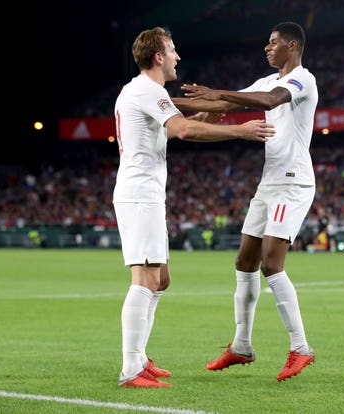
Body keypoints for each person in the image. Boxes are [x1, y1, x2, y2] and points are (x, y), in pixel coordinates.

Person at [113, 27, 275, 388]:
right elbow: (183, 131)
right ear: (158, 56)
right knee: (145, 278)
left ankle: (139, 357)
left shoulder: (141, 92)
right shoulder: (148, 89)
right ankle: (130, 368)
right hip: (139, 194)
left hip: (148, 194)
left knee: (161, 279)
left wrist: (203, 120)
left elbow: (172, 131)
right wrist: (240, 131)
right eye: (172, 50)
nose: (177, 57)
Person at [172, 21, 317, 381]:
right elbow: (223, 101)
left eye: (273, 43)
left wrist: (218, 92)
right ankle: (241, 345)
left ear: (292, 46)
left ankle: (300, 348)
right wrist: (159, 100)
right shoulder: (266, 80)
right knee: (245, 260)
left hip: (293, 183)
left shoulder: (302, 79)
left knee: (271, 263)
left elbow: (268, 102)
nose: (267, 48)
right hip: (270, 182)